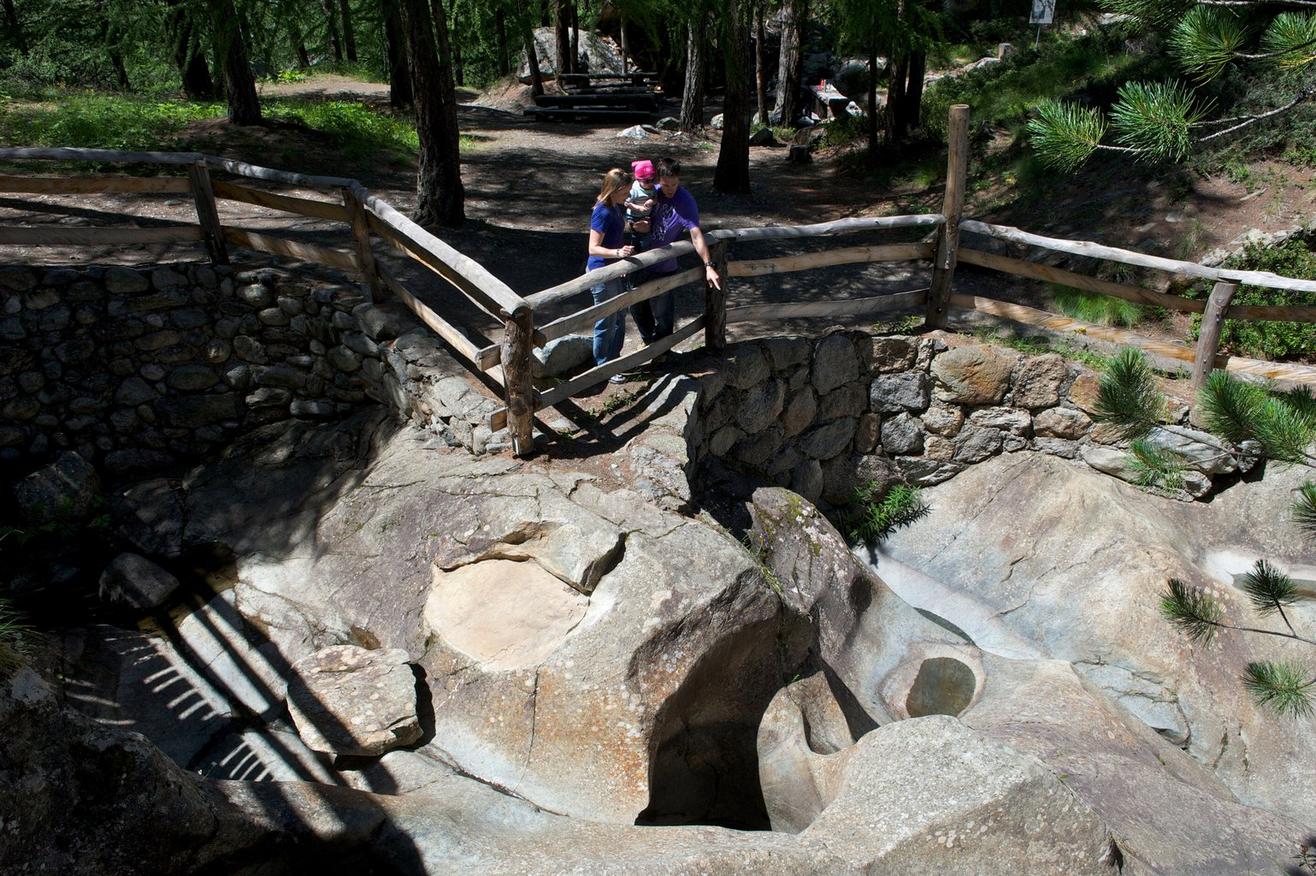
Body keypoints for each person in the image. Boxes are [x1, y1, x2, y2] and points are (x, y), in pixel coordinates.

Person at [630, 157, 721, 344]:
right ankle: (648, 342)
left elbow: (696, 235)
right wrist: (633, 226)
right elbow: (628, 212)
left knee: (663, 312)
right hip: (641, 260)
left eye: (673, 184)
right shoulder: (650, 192)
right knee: (636, 305)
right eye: (665, 184)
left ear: (679, 179)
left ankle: (663, 351)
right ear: (658, 180)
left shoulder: (685, 201)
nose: (669, 189)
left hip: (664, 265)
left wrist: (708, 265)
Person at [585, 168, 637, 381]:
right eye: (625, 192)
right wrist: (618, 253)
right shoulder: (602, 212)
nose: (627, 196)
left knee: (619, 316)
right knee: (606, 319)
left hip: (614, 269)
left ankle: (614, 359)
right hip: (601, 271)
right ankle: (603, 366)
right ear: (614, 190)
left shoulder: (615, 206)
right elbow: (593, 248)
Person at [624, 159, 657, 246]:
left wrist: (651, 201)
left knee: (646, 235)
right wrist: (638, 208)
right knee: (636, 236)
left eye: (652, 180)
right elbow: (627, 203)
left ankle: (643, 248)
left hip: (646, 215)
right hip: (634, 215)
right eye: (646, 181)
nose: (650, 183)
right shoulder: (634, 189)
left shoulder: (652, 188)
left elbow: (656, 199)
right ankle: (635, 247)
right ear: (638, 180)